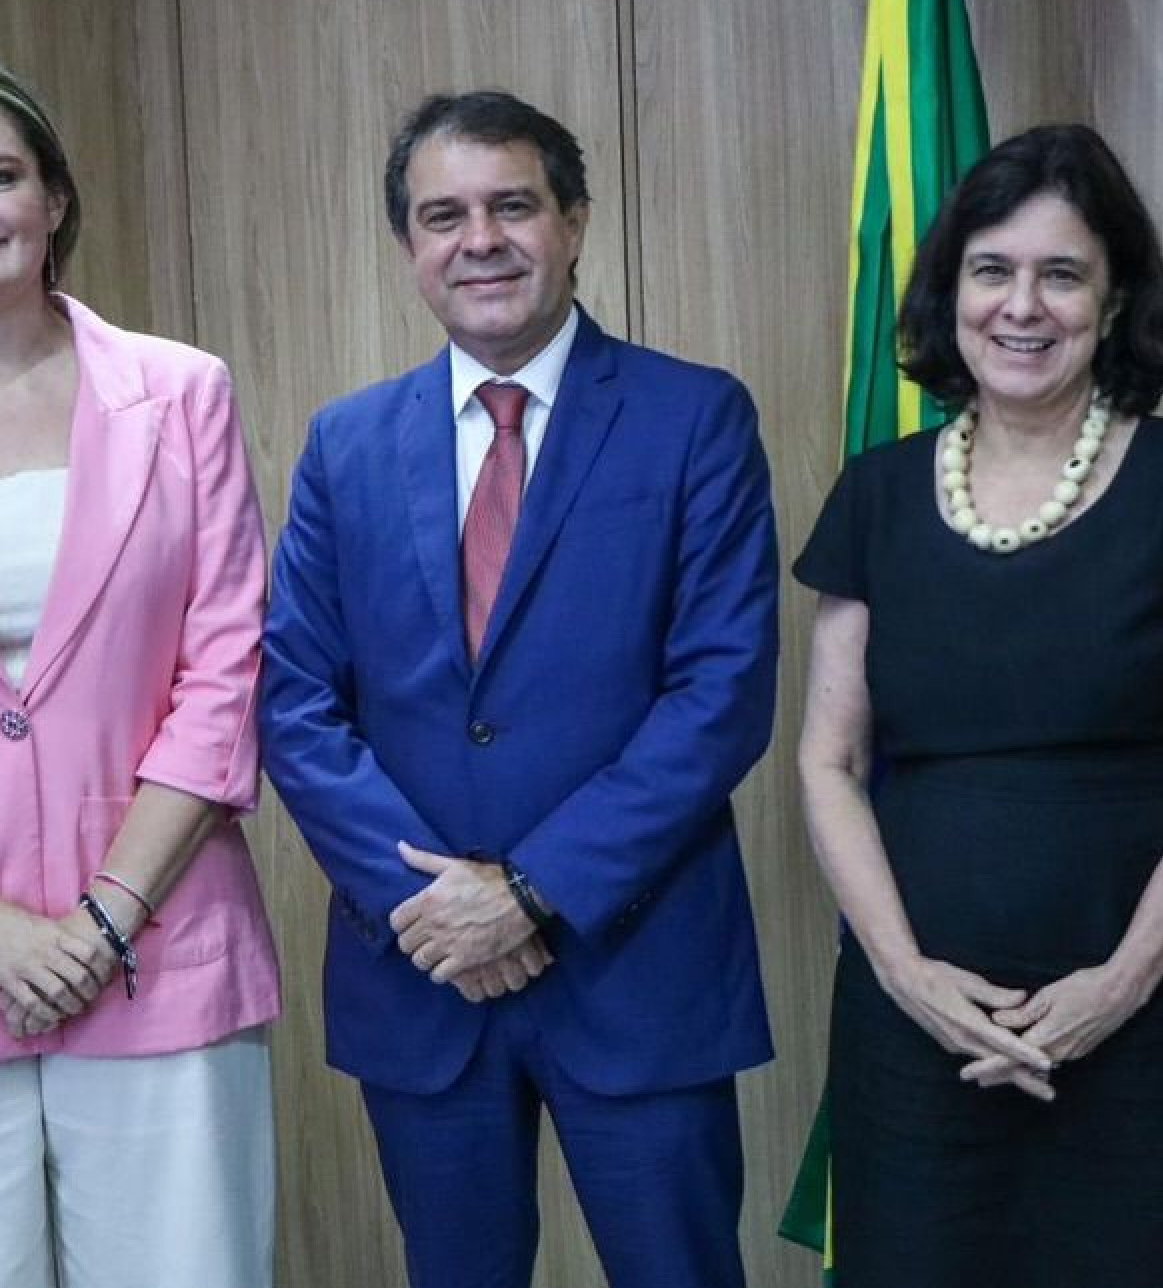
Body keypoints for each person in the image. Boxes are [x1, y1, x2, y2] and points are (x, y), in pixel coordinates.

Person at [260, 89, 777, 1288]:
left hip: (636, 967)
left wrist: (536, 889)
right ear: (408, 247)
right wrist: (441, 908)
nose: (479, 238)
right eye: (443, 214)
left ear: (576, 219)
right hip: (424, 975)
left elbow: (722, 692)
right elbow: (294, 698)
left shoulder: (693, 417)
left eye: (512, 205)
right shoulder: (346, 443)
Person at [796, 123, 1163, 1287]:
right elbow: (827, 760)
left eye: (1062, 273)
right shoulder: (878, 494)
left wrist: (1116, 985)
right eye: (992, 269)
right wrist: (908, 972)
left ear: (1114, 301)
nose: (1024, 305)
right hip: (918, 1033)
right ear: (952, 291)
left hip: (1155, 1023)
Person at [0, 52, 280, 1287]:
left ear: (53, 197)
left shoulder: (180, 391)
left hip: (160, 949)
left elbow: (223, 677)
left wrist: (101, 923)